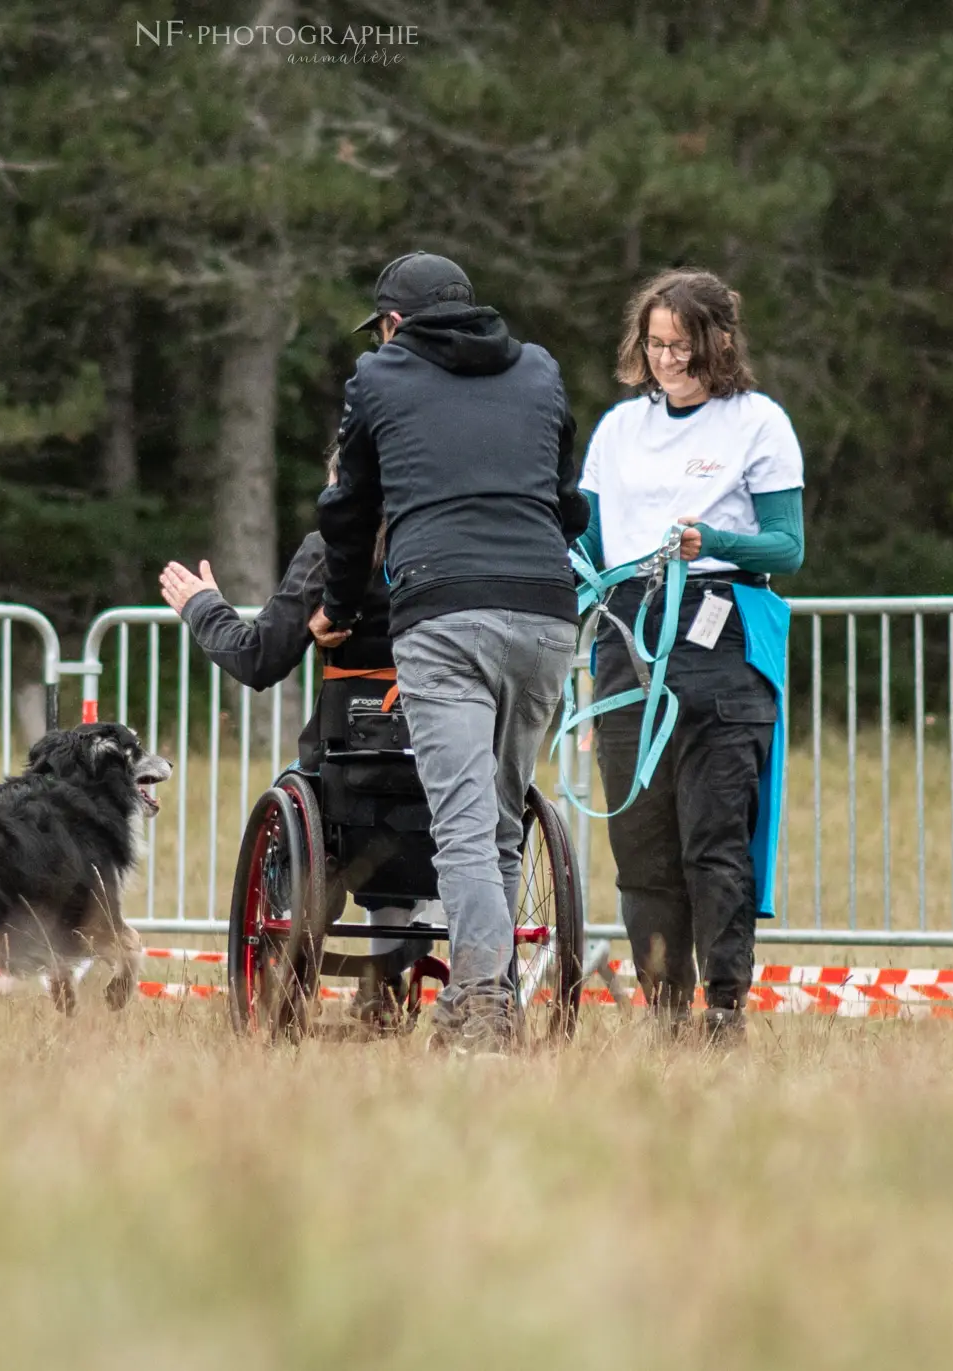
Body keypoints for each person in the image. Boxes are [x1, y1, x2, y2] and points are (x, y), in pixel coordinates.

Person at [317, 251, 587, 1052]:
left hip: (443, 614)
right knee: (499, 824)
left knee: (463, 830)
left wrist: (336, 608)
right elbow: (565, 498)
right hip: (545, 615)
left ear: (394, 322)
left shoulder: (378, 376)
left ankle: (481, 1000)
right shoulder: (538, 370)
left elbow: (348, 511)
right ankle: (486, 997)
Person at [576, 267, 804, 1043]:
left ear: (719, 343)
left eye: (683, 346)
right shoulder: (617, 430)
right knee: (641, 843)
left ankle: (725, 1008)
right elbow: (592, 543)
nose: (668, 360)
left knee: (714, 837)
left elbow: (789, 544)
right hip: (629, 635)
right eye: (657, 344)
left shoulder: (758, 423)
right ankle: (664, 1012)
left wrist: (718, 540)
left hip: (721, 631)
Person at [158, 451, 431, 1027]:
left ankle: (290, 948)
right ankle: (385, 982)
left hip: (348, 768)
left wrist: (203, 608)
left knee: (301, 794)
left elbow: (258, 659)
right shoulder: (447, 549)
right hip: (439, 765)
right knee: (405, 806)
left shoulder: (331, 554)